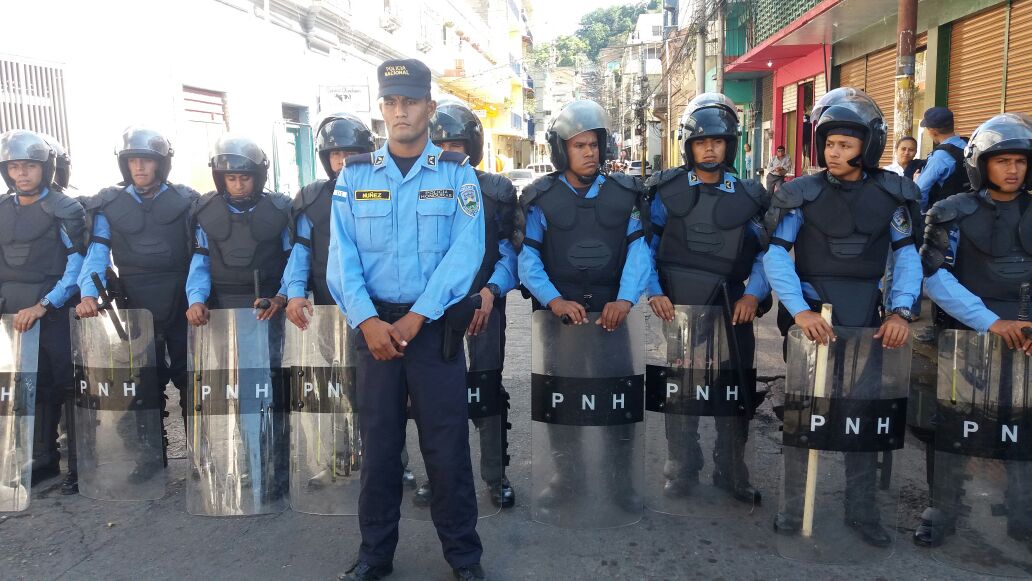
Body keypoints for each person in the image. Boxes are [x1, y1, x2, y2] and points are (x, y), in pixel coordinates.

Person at [329, 58, 486, 581]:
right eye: (391, 102)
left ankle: (464, 557)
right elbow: (341, 259)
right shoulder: (354, 179)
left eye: (411, 101)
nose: (401, 111)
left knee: (446, 449)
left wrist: (419, 314)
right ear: (381, 109)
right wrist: (367, 321)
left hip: (433, 331)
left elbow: (467, 252)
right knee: (378, 450)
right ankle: (375, 556)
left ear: (429, 108)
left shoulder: (457, 175)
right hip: (374, 334)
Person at [762, 89, 922, 547]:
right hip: (812, 324)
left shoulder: (892, 197)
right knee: (804, 416)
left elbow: (907, 257)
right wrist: (801, 311)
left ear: (867, 147)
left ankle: (862, 508)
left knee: (862, 417)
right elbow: (777, 256)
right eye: (830, 143)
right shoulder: (801, 195)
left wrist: (900, 310)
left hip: (868, 324)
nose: (835, 152)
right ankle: (794, 504)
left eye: (846, 145)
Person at [517, 99, 650, 512]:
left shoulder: (625, 194)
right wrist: (554, 300)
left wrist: (625, 300)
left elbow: (639, 251)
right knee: (563, 398)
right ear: (562, 150)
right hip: (562, 320)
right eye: (579, 145)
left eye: (594, 144)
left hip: (614, 318)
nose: (589, 152)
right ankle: (565, 478)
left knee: (618, 400)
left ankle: (620, 483)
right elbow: (528, 258)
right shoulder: (540, 198)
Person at [645, 93, 770, 503]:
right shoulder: (668, 191)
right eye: (702, 142)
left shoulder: (750, 195)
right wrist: (655, 291)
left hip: (733, 307)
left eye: (718, 141)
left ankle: (732, 468)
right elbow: (646, 246)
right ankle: (682, 467)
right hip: (681, 308)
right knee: (683, 389)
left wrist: (753, 294)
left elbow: (771, 253)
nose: (710, 148)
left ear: (730, 144)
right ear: (689, 146)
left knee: (733, 391)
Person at [915, 113, 1032, 547]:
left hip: (1027, 338)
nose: (1012, 169)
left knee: (1023, 424)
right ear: (982, 163)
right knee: (952, 423)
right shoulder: (952, 211)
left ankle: (1022, 510)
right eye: (1003, 161)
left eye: (1020, 161)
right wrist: (990, 321)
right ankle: (943, 506)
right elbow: (935, 276)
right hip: (967, 337)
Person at [410, 98, 519, 509]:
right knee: (432, 396)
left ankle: (495, 474)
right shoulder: (416, 190)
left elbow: (511, 251)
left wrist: (490, 292)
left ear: (471, 144)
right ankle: (435, 476)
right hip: (434, 310)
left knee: (487, 389)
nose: (449, 152)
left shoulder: (496, 190)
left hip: (484, 308)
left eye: (456, 143)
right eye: (440, 145)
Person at [76, 127, 200, 448]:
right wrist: (88, 294)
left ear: (161, 164)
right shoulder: (109, 203)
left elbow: (202, 253)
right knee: (143, 381)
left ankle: (199, 454)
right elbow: (97, 253)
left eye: (146, 160)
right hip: (134, 303)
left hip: (183, 300)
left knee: (193, 379)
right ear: (124, 164)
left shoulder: (187, 201)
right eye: (133, 161)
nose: (140, 168)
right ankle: (148, 454)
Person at [0, 130, 86, 495]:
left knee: (67, 385)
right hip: (11, 313)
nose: (22, 174)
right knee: (31, 387)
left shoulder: (65, 209)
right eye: (15, 166)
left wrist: (44, 304)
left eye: (30, 166)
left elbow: (76, 263)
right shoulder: (2, 210)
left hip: (53, 310)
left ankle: (80, 464)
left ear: (46, 168)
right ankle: (44, 458)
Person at [185, 135, 291, 319]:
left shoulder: (278, 209)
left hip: (269, 305)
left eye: (245, 177)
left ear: (257, 177)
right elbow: (201, 261)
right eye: (231, 178)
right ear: (221, 179)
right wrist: (196, 300)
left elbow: (293, 260)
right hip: (221, 308)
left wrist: (281, 296)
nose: (239, 185)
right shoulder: (207, 210)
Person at [284, 113, 375, 324]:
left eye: (350, 153)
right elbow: (301, 250)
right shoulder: (312, 198)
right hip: (328, 304)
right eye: (336, 153)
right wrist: (295, 292)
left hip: (375, 303)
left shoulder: (383, 192)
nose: (343, 161)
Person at [916, 107, 969, 211]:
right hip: (970, 212)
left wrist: (922, 214)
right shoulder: (969, 145)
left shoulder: (940, 156)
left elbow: (920, 191)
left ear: (933, 131)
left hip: (944, 216)